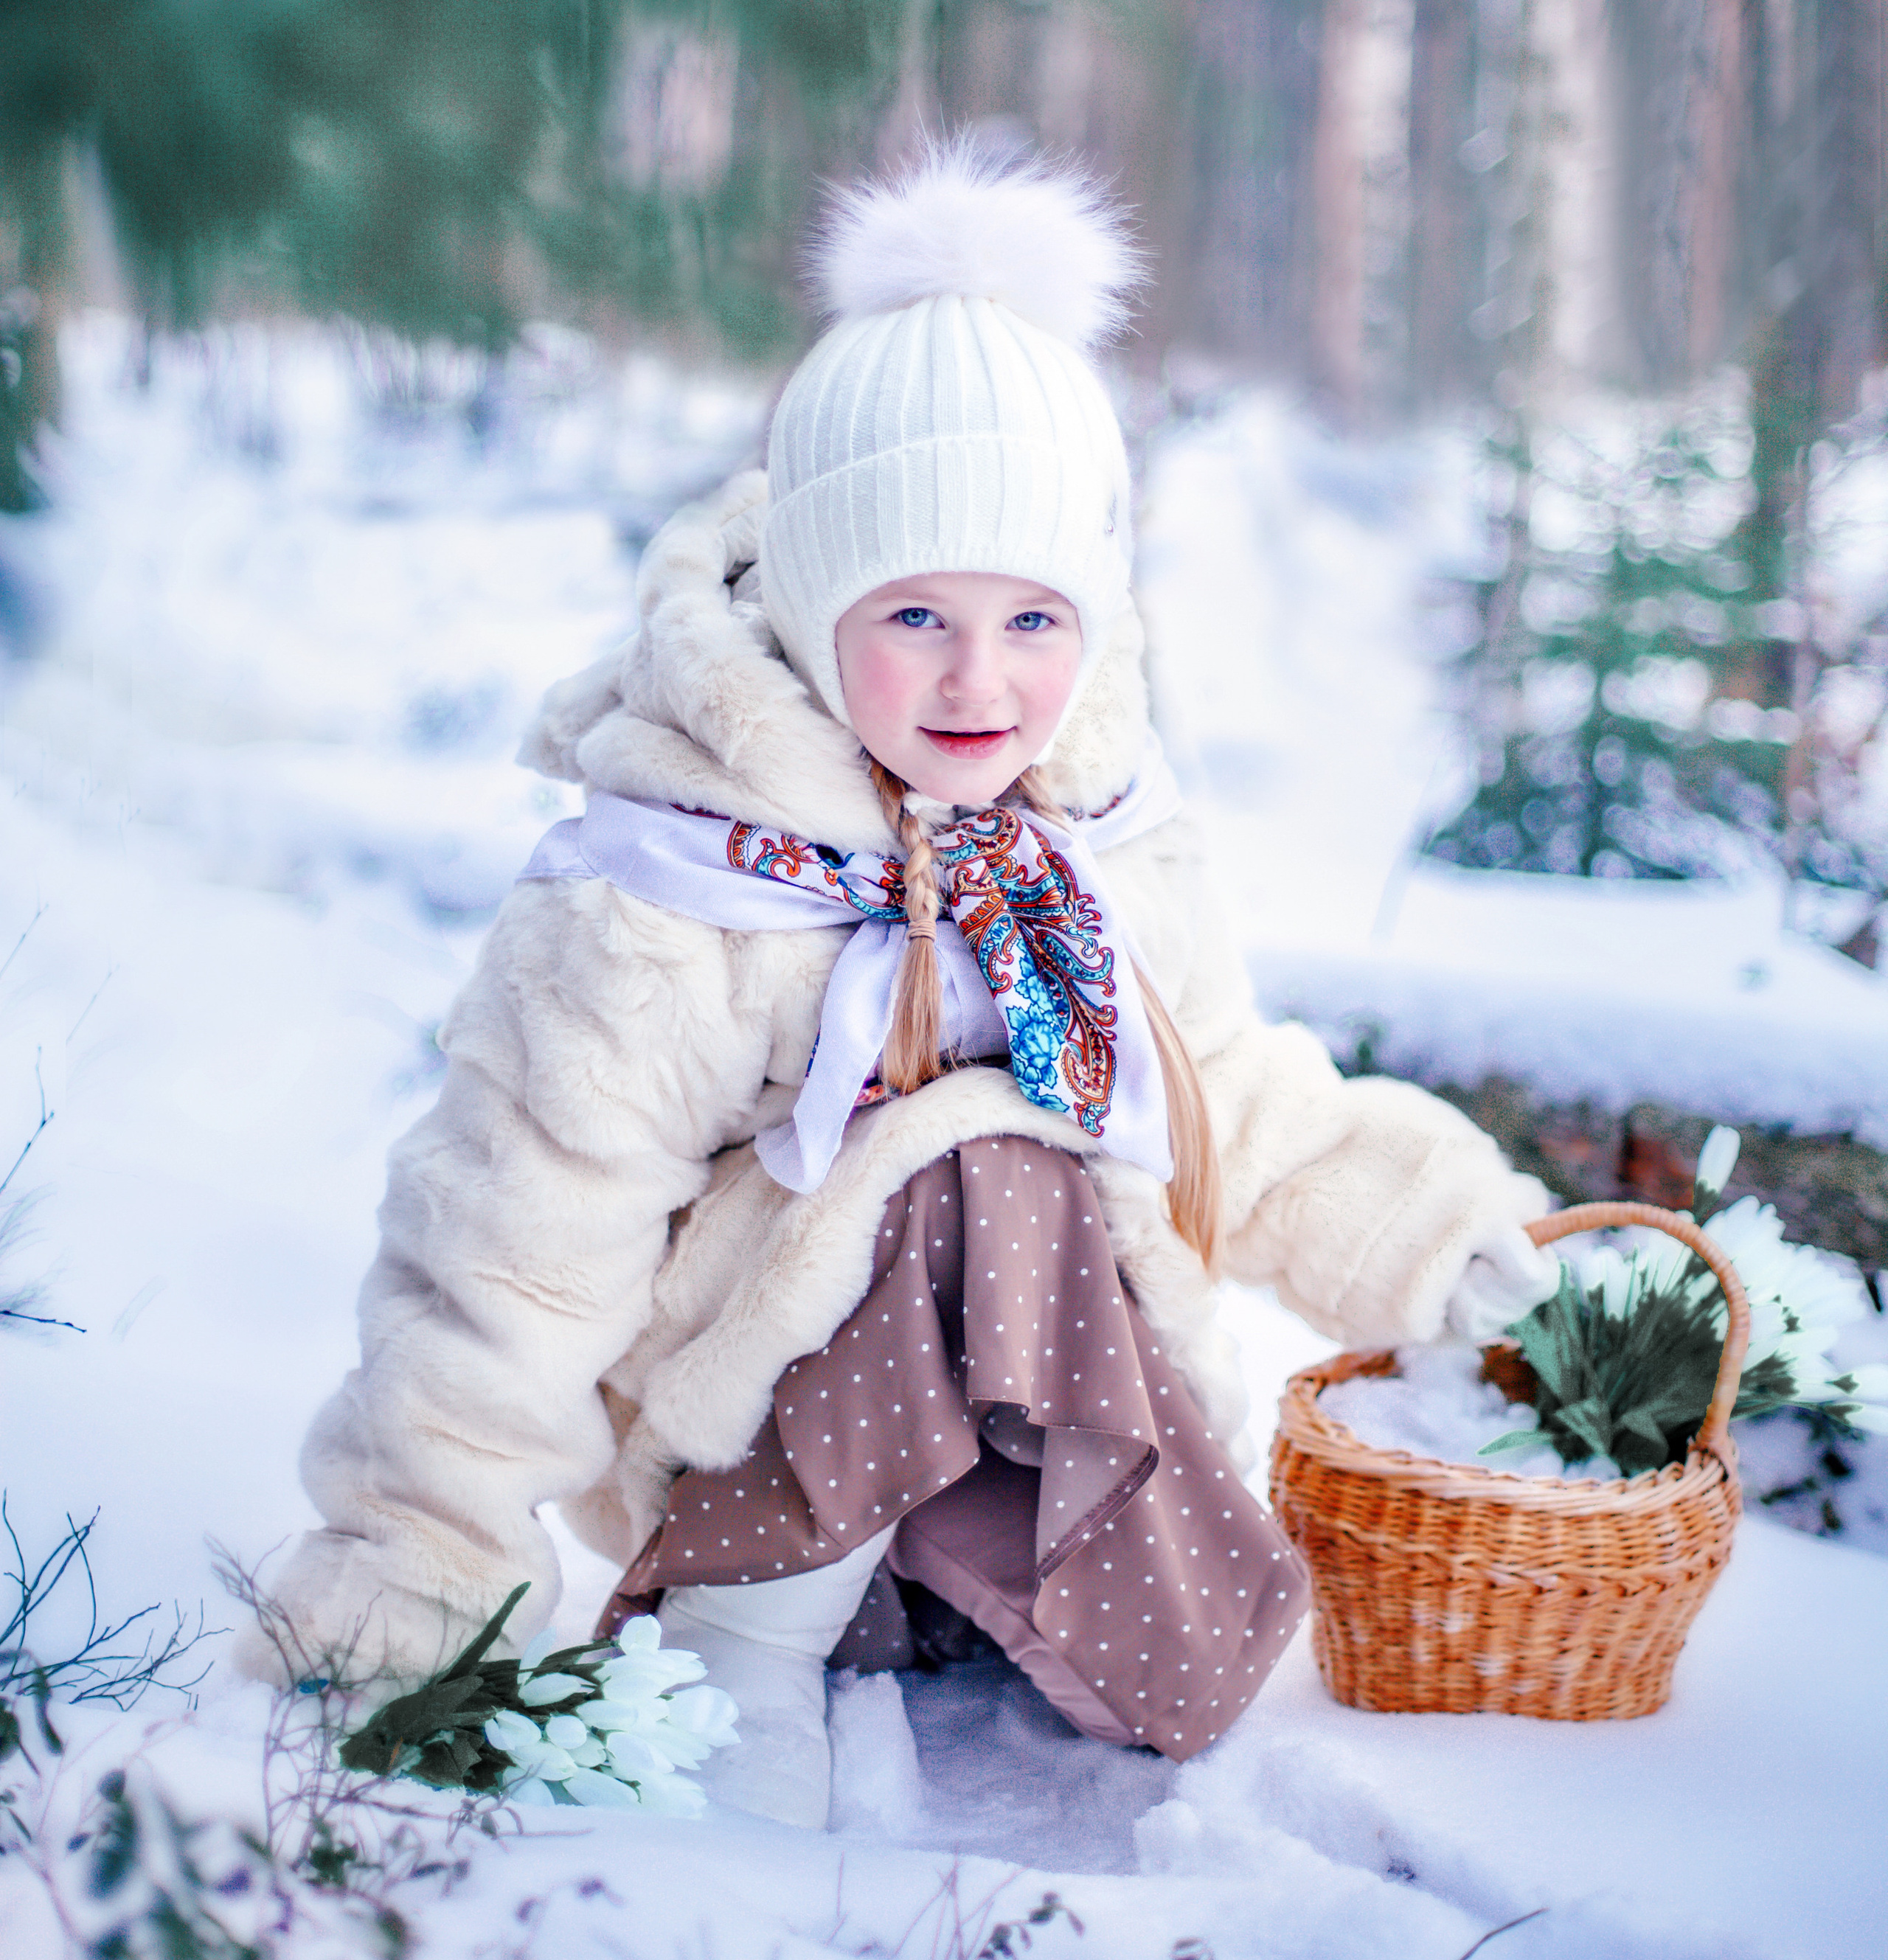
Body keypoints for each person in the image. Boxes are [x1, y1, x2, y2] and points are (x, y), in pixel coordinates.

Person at [242, 144, 1554, 1825]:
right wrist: (416, 1565)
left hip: (1015, 1498)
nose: (976, 681)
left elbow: (1217, 1086)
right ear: (810, 607)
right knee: (972, 1157)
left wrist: (1423, 1232)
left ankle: (1024, 1611)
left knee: (1045, 1190)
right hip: (733, 1481)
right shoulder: (676, 886)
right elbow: (518, 1237)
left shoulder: (1094, 837)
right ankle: (738, 1650)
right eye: (915, 615)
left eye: (1033, 621)